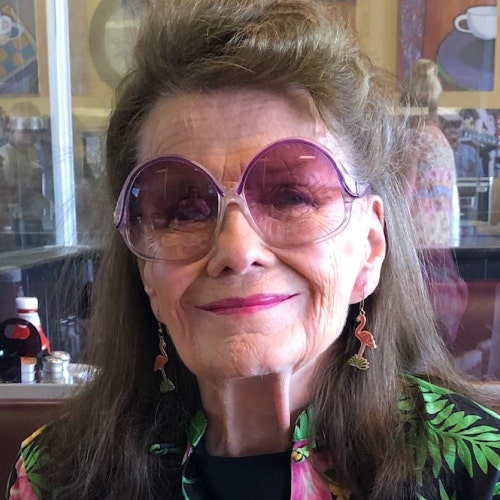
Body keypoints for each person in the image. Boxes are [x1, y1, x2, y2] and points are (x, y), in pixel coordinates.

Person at [6, 1, 500, 499]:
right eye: (184, 210)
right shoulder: (55, 478)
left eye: (292, 197)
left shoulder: (484, 474)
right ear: (145, 271)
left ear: (369, 248)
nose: (237, 250)